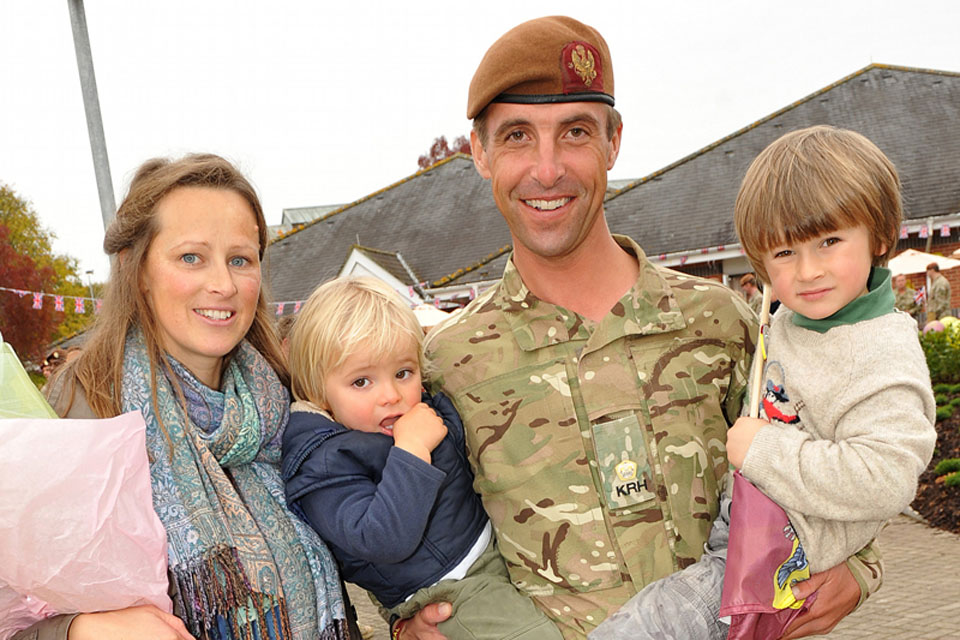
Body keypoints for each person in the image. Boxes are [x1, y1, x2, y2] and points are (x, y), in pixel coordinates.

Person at [407, 16, 884, 640]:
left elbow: (850, 439)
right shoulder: (446, 361)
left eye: (575, 132)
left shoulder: (724, 323)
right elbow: (406, 526)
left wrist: (860, 567)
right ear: (479, 152)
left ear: (614, 142)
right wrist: (410, 624)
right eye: (518, 136)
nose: (546, 170)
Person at [592, 125, 937, 639]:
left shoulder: (881, 349)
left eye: (829, 241)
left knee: (644, 628)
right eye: (783, 254)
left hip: (778, 549)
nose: (807, 271)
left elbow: (885, 480)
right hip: (747, 525)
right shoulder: (788, 323)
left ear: (881, 237)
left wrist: (763, 451)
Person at [15, 154, 356, 640]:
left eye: (240, 259)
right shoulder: (81, 413)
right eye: (190, 257)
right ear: (139, 270)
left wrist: (414, 608)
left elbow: (366, 527)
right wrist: (78, 631)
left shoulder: (291, 399)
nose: (222, 284)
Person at [281, 276, 562, 640]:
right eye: (362, 382)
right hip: (445, 587)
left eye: (403, 373)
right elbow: (382, 539)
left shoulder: (416, 410)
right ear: (317, 392)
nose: (391, 395)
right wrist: (411, 450)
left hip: (485, 554)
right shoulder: (323, 461)